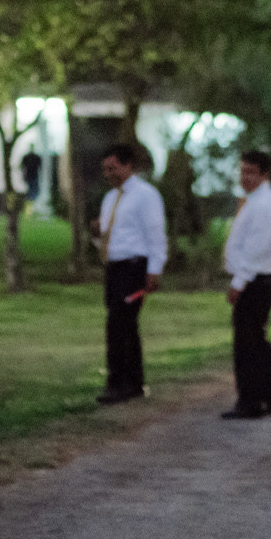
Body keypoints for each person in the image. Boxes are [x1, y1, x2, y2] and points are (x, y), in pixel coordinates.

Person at [222, 149, 271, 420]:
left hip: (256, 280)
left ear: (265, 175)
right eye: (243, 171)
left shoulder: (264, 204)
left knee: (247, 342)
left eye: (251, 172)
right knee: (255, 339)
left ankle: (251, 400)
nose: (245, 177)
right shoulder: (254, 200)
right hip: (253, 278)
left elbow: (257, 248)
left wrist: (239, 281)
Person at [92, 142, 166, 404]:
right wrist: (97, 237)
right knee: (123, 324)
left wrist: (154, 269)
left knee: (119, 323)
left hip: (133, 267)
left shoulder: (145, 196)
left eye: (113, 168)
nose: (108, 173)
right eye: (105, 169)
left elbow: (155, 233)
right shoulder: (110, 198)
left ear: (127, 166)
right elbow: (109, 235)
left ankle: (119, 382)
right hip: (114, 267)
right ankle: (133, 380)